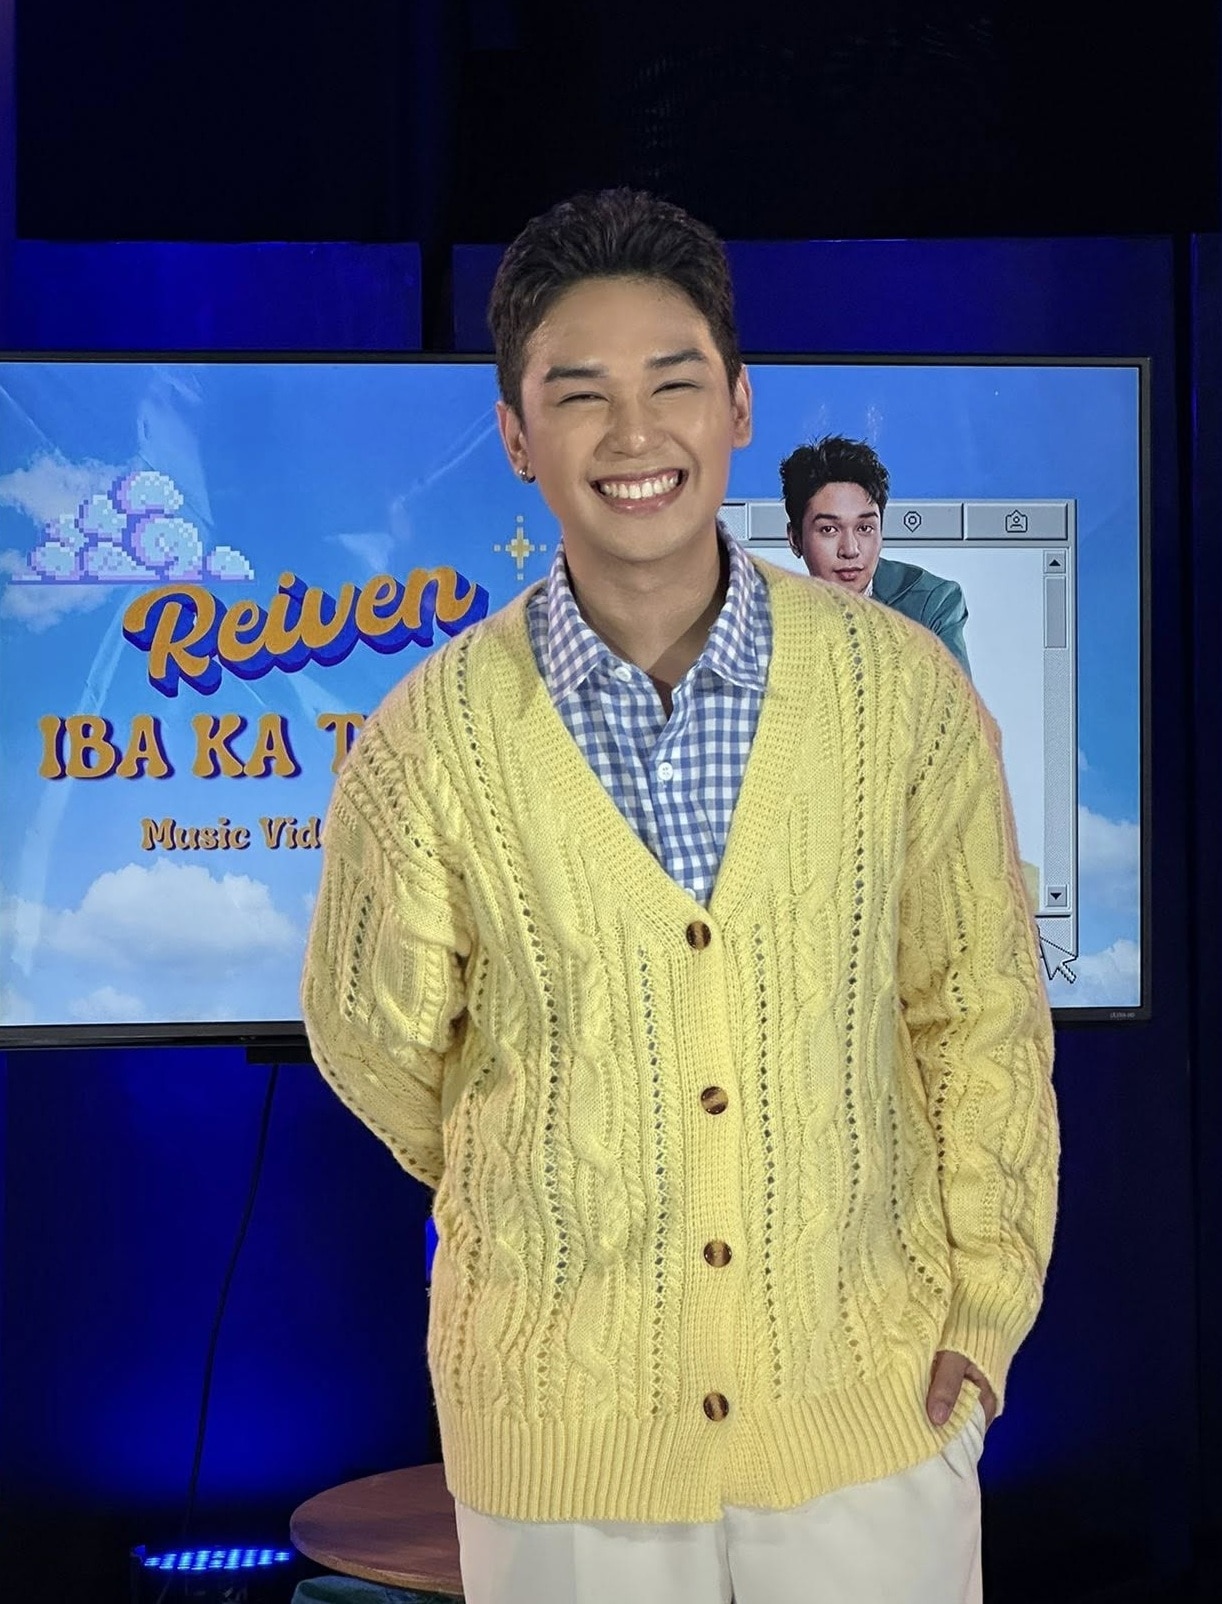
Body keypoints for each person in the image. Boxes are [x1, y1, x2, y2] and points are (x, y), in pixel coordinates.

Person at [301, 188, 1058, 1604]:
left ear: (739, 405)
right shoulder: (426, 741)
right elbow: (375, 1041)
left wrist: (983, 1300)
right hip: (558, 1453)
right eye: (577, 394)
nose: (632, 434)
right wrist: (555, 1166)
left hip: (870, 1417)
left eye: (673, 382)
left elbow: (980, 1011)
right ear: (516, 435)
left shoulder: (901, 693)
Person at [781, 434, 973, 676]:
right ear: (795, 539)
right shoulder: (769, 618)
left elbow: (955, 698)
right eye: (829, 529)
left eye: (864, 528)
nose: (850, 549)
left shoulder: (931, 603)